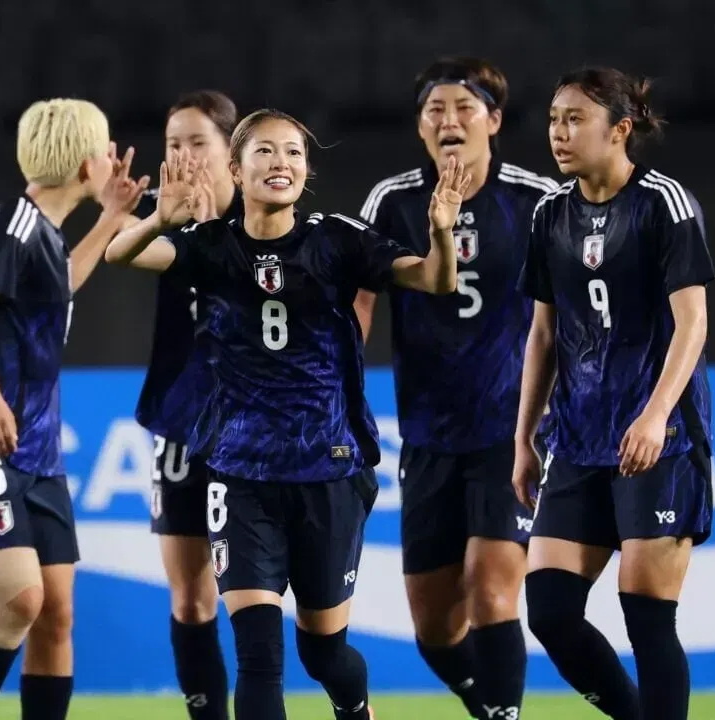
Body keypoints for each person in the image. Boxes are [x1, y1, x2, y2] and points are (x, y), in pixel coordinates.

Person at [106, 109, 472, 720]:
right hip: (240, 471)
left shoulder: (337, 239)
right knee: (258, 655)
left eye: (294, 154)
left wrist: (440, 233)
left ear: (307, 170)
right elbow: (121, 254)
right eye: (266, 153)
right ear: (235, 169)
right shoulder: (211, 246)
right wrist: (159, 220)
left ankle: (353, 705)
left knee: (324, 652)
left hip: (326, 468)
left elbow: (436, 281)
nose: (282, 164)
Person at [0, 98, 148, 720]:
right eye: (106, 149)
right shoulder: (14, 222)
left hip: (39, 453)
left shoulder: (44, 235)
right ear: (85, 163)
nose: (113, 158)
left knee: (56, 613)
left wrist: (109, 220)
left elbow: (59, 287)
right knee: (21, 600)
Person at [355, 57, 557, 720]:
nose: (449, 120)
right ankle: (488, 704)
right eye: (434, 110)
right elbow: (357, 301)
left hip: (510, 431)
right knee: (435, 630)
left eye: (463, 108)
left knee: (494, 590)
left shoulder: (536, 200)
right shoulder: (391, 202)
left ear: (493, 121)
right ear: (419, 128)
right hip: (428, 434)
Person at [513, 67, 715, 720]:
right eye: (553, 118)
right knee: (549, 611)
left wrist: (656, 417)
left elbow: (693, 322)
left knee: (646, 617)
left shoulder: (663, 203)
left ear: (620, 129)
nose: (559, 132)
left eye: (575, 118)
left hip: (660, 438)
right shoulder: (550, 213)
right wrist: (524, 438)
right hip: (576, 438)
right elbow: (543, 334)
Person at [127, 89, 242, 720]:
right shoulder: (157, 214)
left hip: (256, 429)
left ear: (231, 152)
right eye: (174, 143)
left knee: (253, 597)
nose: (185, 155)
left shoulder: (263, 214)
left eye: (199, 142)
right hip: (180, 424)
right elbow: (122, 245)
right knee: (192, 598)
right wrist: (159, 217)